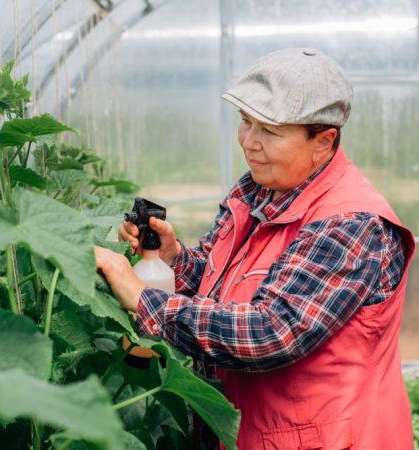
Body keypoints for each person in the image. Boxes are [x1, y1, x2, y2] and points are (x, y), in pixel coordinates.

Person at [94, 48, 416, 449]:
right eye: (245, 122)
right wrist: (173, 258)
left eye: (270, 131)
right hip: (255, 432)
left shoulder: (350, 225)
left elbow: (273, 331)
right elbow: (222, 284)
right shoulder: (257, 190)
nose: (249, 142)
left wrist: (144, 299)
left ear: (324, 141)